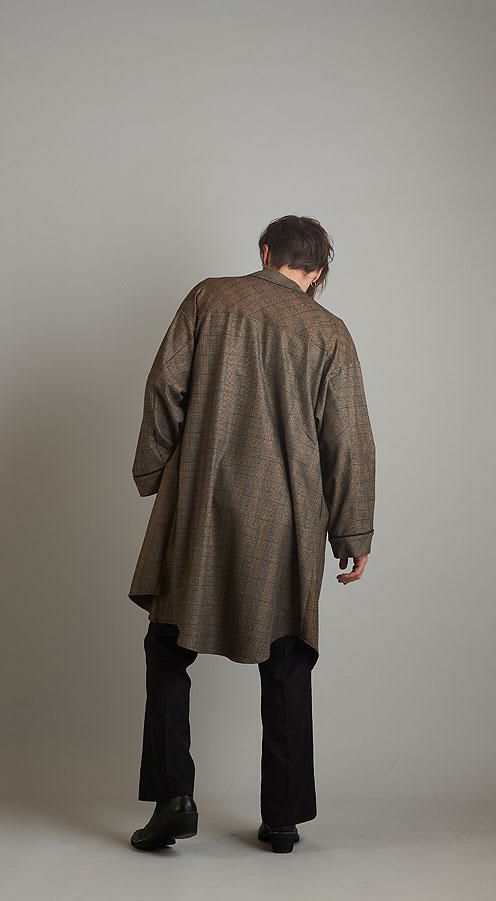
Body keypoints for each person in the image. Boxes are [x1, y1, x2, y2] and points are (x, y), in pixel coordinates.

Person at [127, 215, 376, 853]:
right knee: (286, 657)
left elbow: (164, 387)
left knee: (168, 647)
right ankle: (283, 819)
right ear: (317, 272)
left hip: (201, 503)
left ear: (265, 253)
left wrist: (154, 469)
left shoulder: (210, 298)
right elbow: (347, 440)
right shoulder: (329, 332)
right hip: (286, 517)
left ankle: (174, 801)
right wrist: (352, 533)